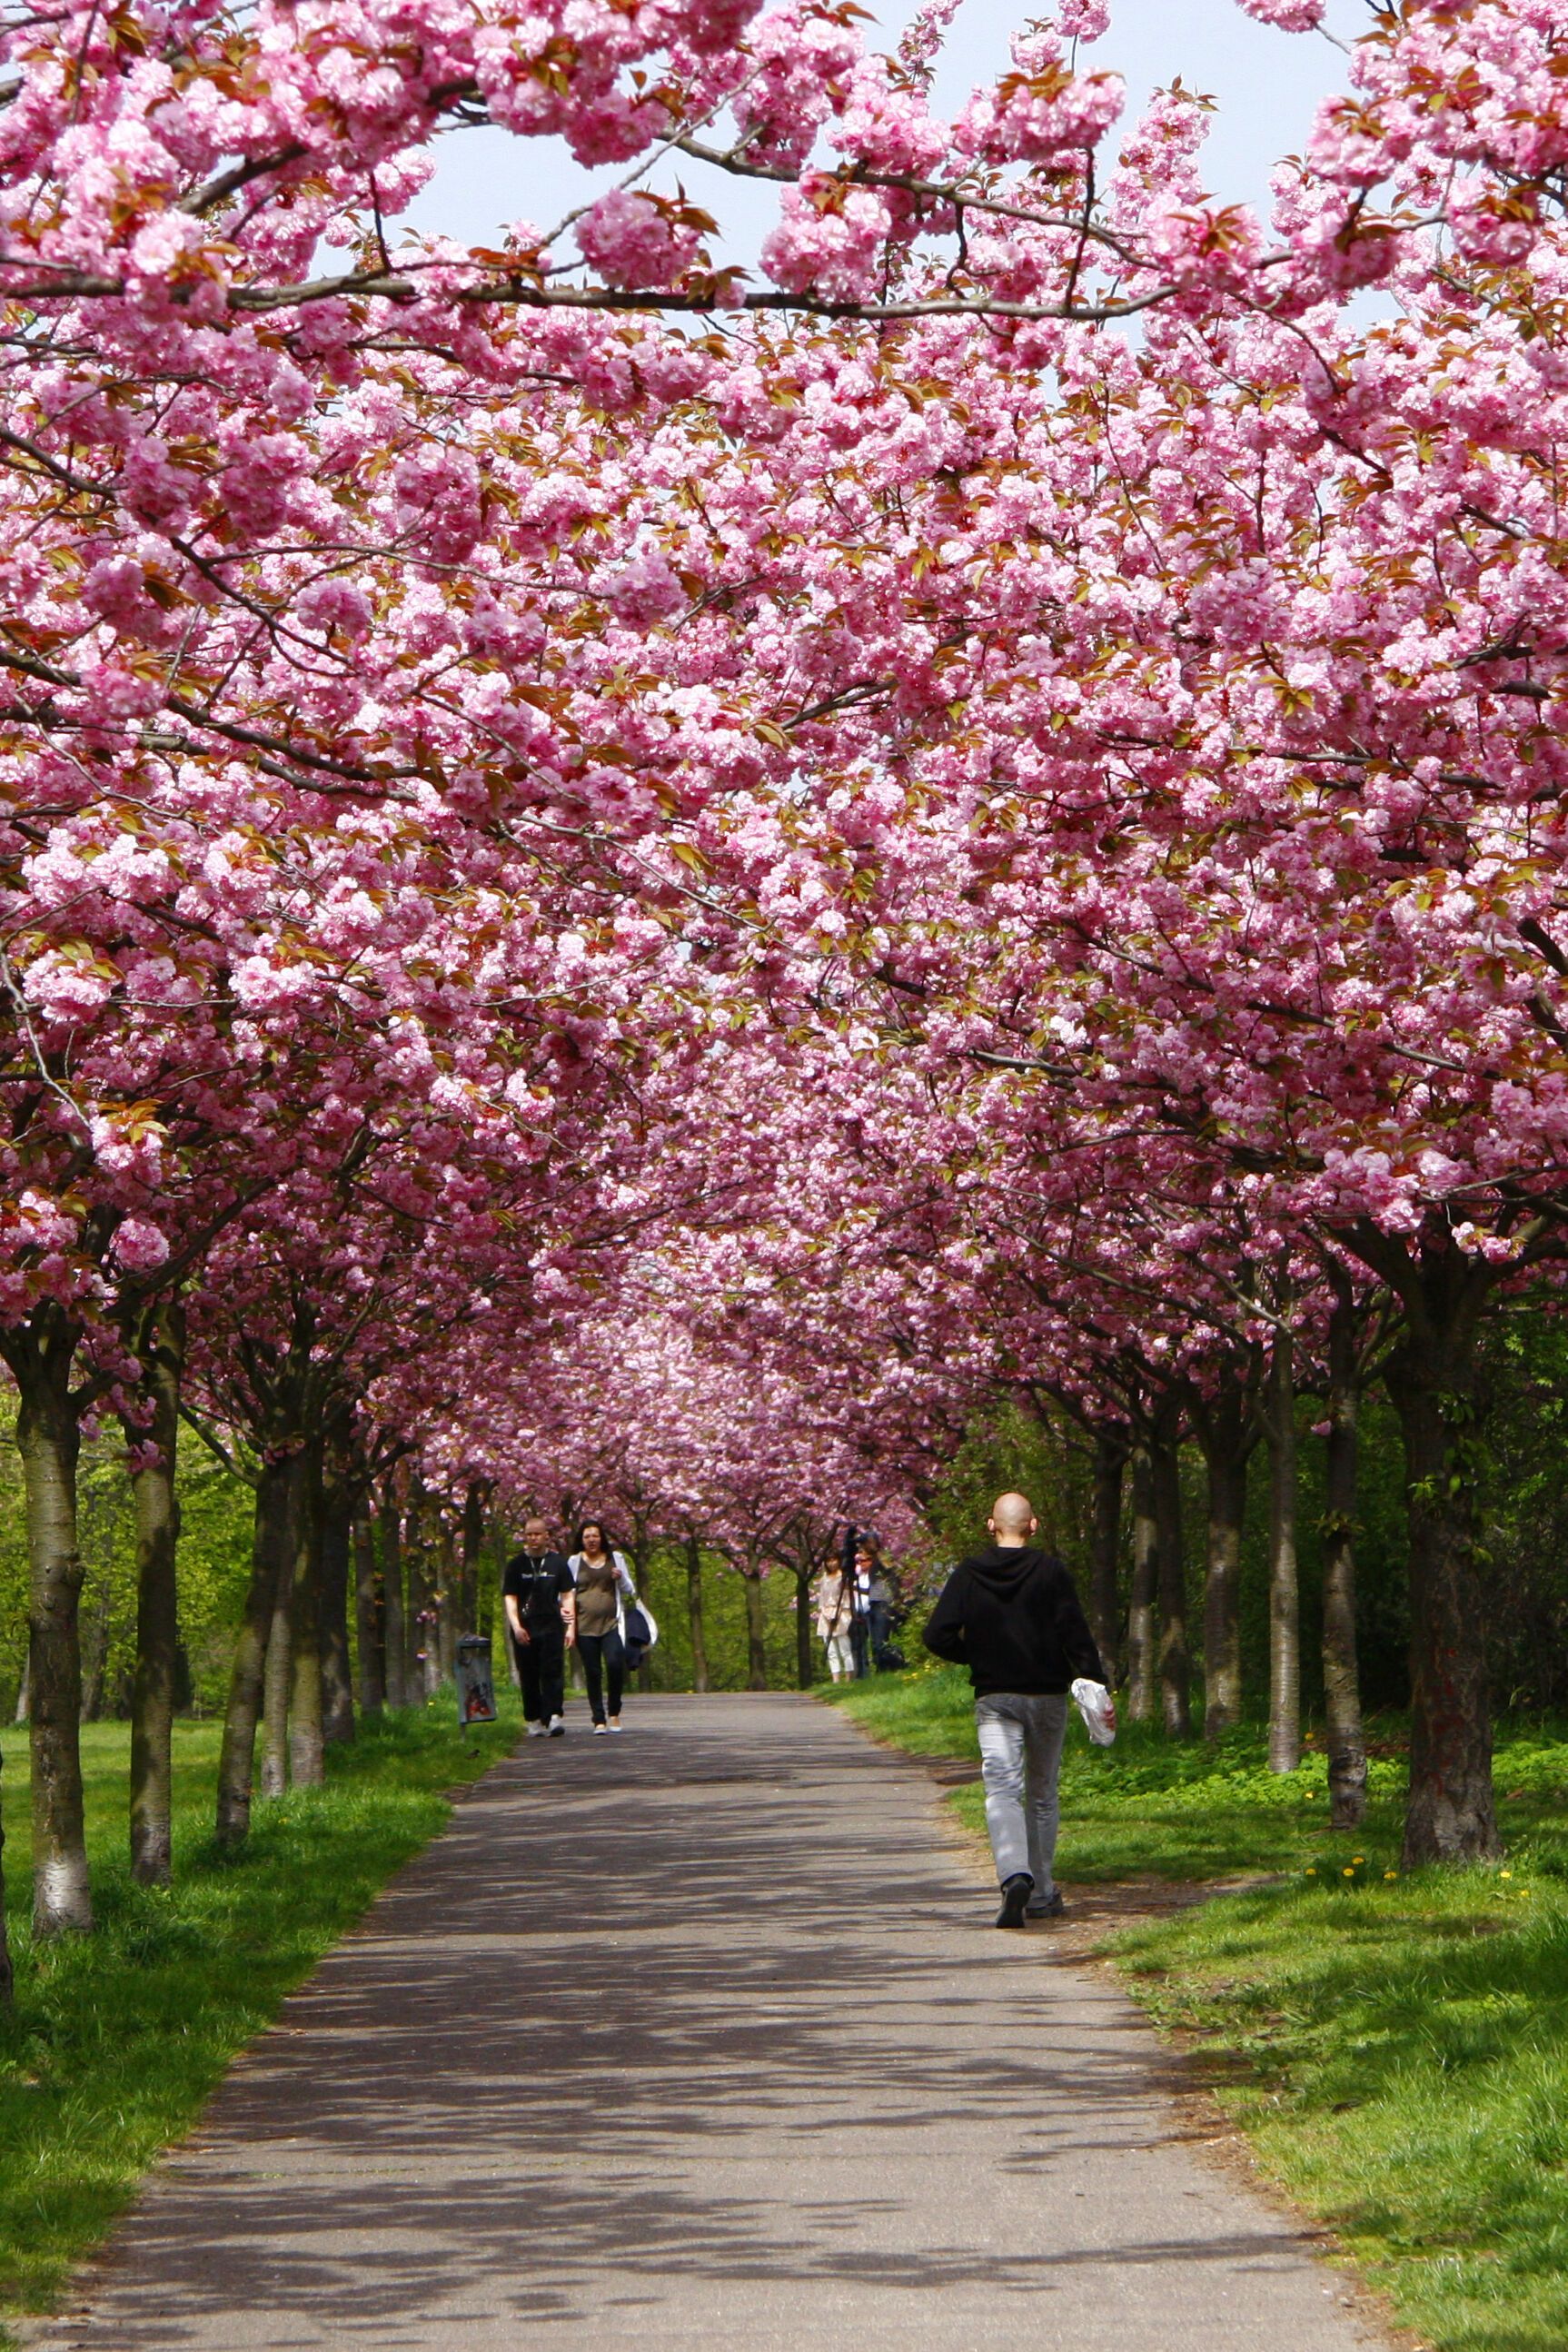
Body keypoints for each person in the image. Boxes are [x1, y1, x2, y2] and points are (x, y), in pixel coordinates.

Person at [922, 1491, 1111, 1930]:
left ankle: (1014, 1877)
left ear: (991, 1525)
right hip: (1047, 1697)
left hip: (996, 1699)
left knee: (1002, 1790)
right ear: (1034, 1525)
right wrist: (1095, 1682)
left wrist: (977, 1655)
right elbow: (1075, 1632)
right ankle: (1042, 1894)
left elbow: (937, 1635)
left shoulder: (969, 1574)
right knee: (1042, 1793)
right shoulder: (1051, 1572)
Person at [502, 1514, 576, 1738]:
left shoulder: (558, 1563)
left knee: (553, 1671)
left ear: (546, 1536)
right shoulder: (516, 1565)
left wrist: (571, 1627)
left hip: (551, 1625)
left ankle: (554, 1716)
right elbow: (510, 1598)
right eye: (529, 1535)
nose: (533, 1539)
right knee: (529, 1673)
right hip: (525, 1626)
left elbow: (567, 1596)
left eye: (537, 1534)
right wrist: (516, 1626)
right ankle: (533, 1719)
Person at [570, 1519, 637, 1734]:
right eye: (587, 1536)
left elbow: (629, 1589)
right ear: (582, 1539)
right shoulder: (573, 1561)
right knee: (593, 1671)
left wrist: (620, 1577)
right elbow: (566, 1593)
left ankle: (614, 1713)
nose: (592, 1540)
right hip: (584, 1626)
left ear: (601, 1538)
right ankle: (598, 1719)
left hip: (611, 1624)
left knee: (615, 1664)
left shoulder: (615, 1558)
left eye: (595, 1536)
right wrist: (569, 1624)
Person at [813, 1557, 857, 1682]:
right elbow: (822, 1597)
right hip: (826, 1614)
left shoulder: (843, 1577)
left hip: (841, 1613)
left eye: (834, 1560)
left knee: (845, 1647)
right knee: (831, 1650)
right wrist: (823, 1611)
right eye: (828, 1561)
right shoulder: (824, 1578)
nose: (831, 1563)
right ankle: (835, 1679)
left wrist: (839, 1612)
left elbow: (846, 1596)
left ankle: (849, 1677)